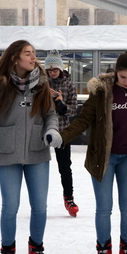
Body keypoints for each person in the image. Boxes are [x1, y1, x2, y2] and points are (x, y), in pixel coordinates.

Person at [59, 51, 127, 254]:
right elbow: (85, 119)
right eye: (122, 77)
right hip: (104, 157)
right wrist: (63, 136)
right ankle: (103, 250)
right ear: (115, 73)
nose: (126, 81)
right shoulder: (103, 91)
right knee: (104, 208)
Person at [0, 40, 61, 254]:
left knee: (40, 207)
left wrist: (53, 130)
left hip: (37, 151)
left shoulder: (42, 84)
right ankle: (7, 251)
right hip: (7, 153)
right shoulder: (0, 86)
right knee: (10, 207)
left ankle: (36, 251)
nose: (33, 58)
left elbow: (50, 114)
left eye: (34, 54)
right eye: (28, 54)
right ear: (15, 58)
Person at [44, 49, 79, 217]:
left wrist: (61, 103)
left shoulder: (69, 85)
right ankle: (38, 199)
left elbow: (74, 109)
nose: (52, 72)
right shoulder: (41, 83)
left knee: (65, 167)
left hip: (63, 130)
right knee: (38, 166)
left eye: (55, 69)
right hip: (42, 130)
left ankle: (69, 197)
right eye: (50, 70)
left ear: (60, 68)